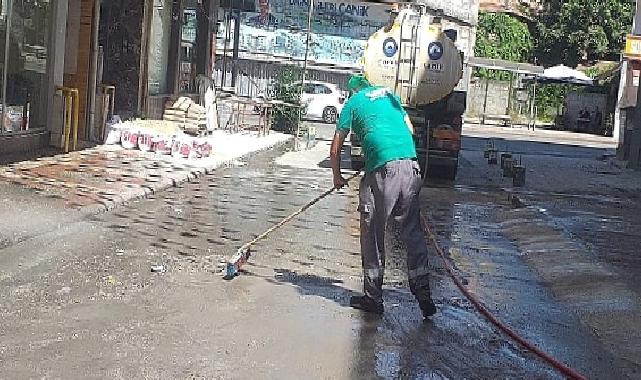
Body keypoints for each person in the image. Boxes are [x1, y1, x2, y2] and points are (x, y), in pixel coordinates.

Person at [330, 74, 437, 319]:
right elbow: (409, 128)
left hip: (383, 170)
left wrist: (337, 177)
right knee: (412, 232)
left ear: (352, 92)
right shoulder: (389, 95)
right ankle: (423, 293)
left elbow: (336, 147)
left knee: (372, 231)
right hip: (410, 165)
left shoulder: (352, 104)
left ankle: (373, 298)